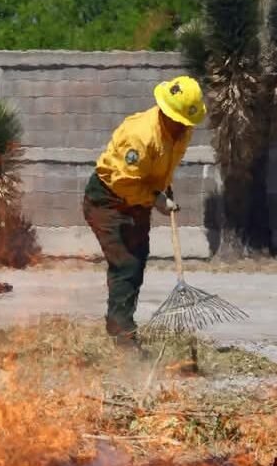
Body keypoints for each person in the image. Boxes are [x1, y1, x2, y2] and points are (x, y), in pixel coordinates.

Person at [82, 75, 206, 346]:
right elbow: (123, 182)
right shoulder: (140, 135)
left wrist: (163, 184)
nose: (183, 127)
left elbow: (162, 161)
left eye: (187, 122)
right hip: (108, 199)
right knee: (126, 263)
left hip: (138, 202)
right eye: (178, 121)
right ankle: (123, 336)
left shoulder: (183, 130)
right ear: (165, 111)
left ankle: (119, 323)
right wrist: (156, 199)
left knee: (136, 261)